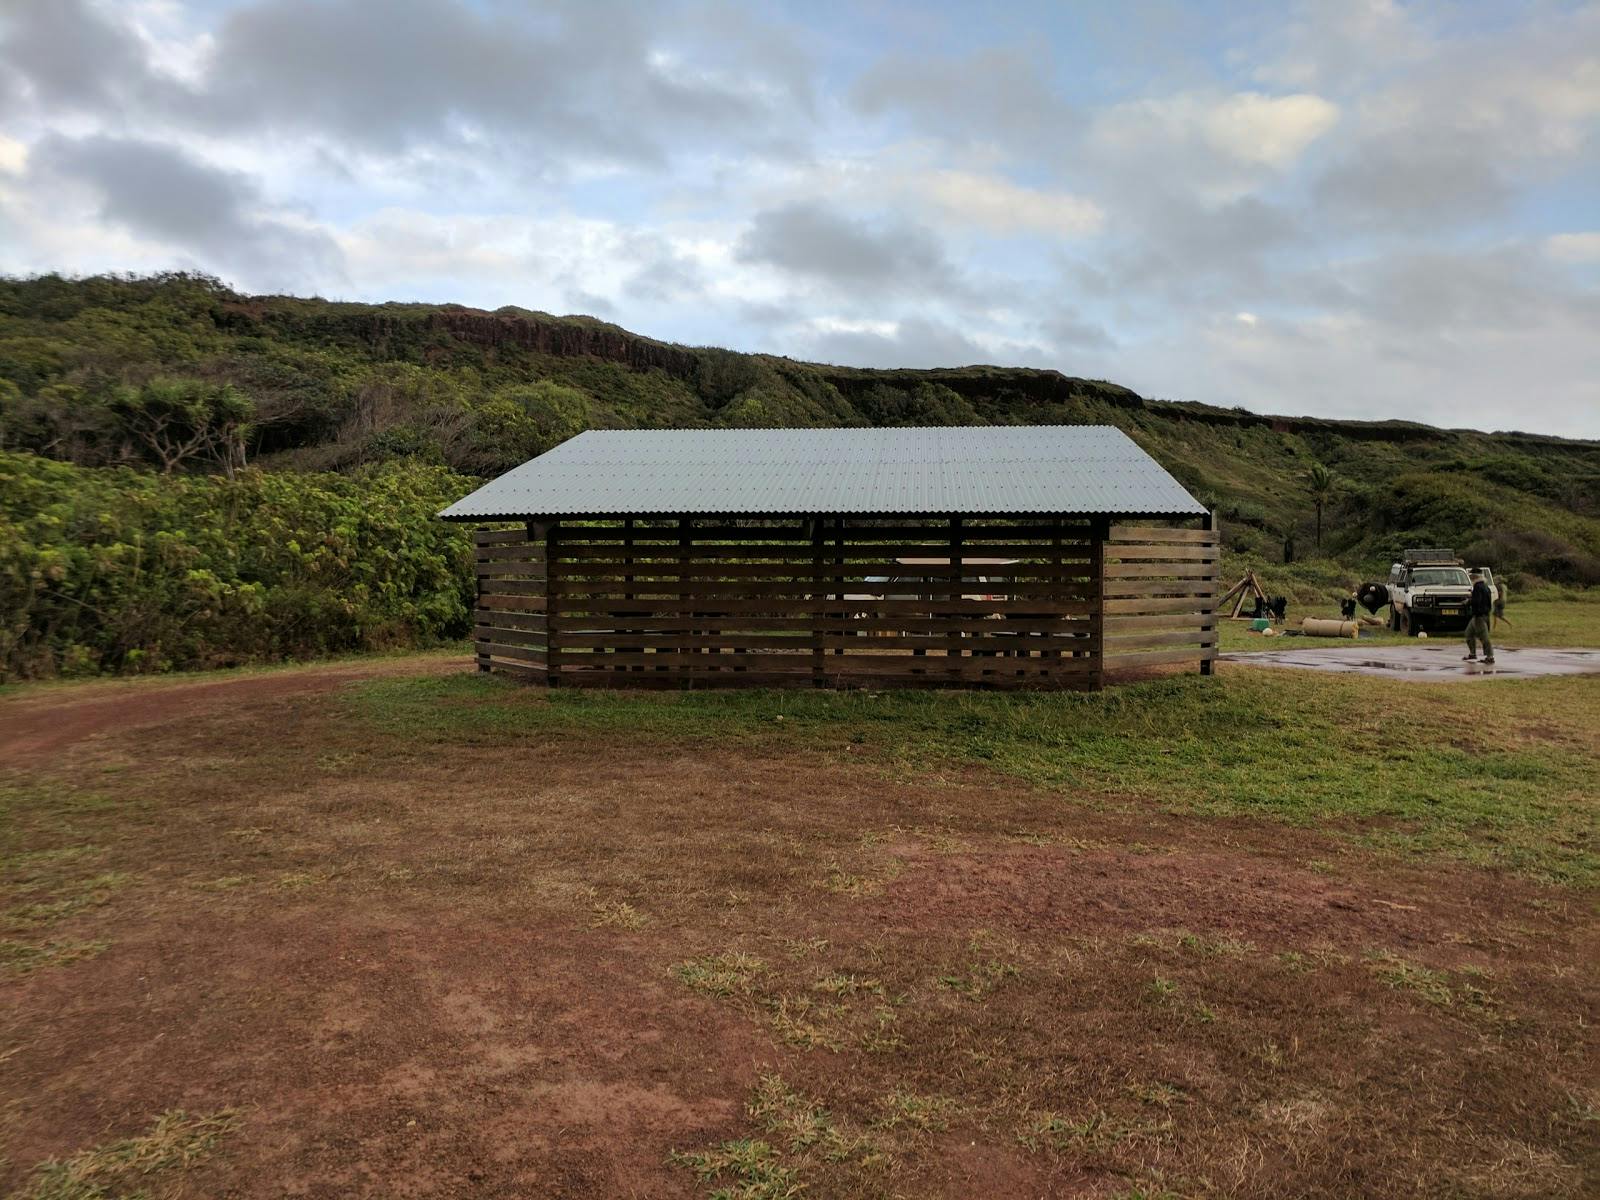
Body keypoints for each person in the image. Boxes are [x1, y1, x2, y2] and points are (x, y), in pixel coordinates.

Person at [1464, 568, 1495, 664]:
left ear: (1474, 577)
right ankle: (1472, 654)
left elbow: (1476, 601)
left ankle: (1490, 657)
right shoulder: (1486, 586)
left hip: (1479, 616)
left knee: (1484, 637)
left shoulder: (1477, 587)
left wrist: (1468, 601)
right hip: (1482, 615)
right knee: (1469, 634)